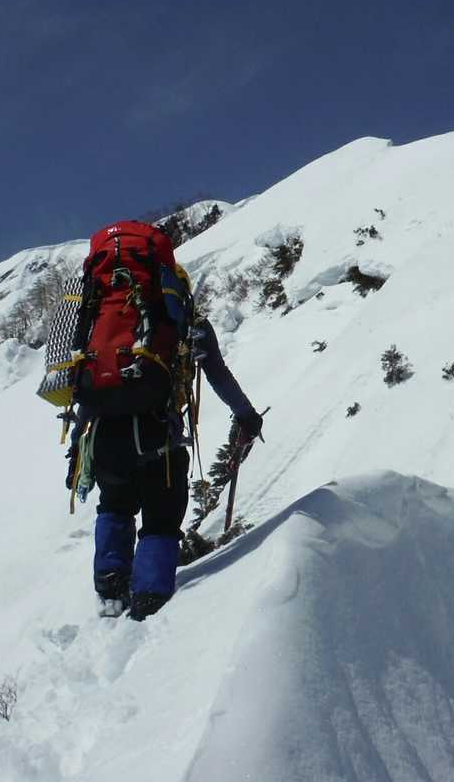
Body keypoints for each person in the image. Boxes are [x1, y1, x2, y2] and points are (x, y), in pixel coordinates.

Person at [65, 221, 263, 621]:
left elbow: (85, 389)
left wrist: (76, 449)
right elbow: (218, 376)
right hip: (158, 437)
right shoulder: (184, 321)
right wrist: (246, 416)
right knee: (160, 516)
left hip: (102, 437)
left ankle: (110, 587)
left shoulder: (98, 319)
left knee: (114, 505)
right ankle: (150, 601)